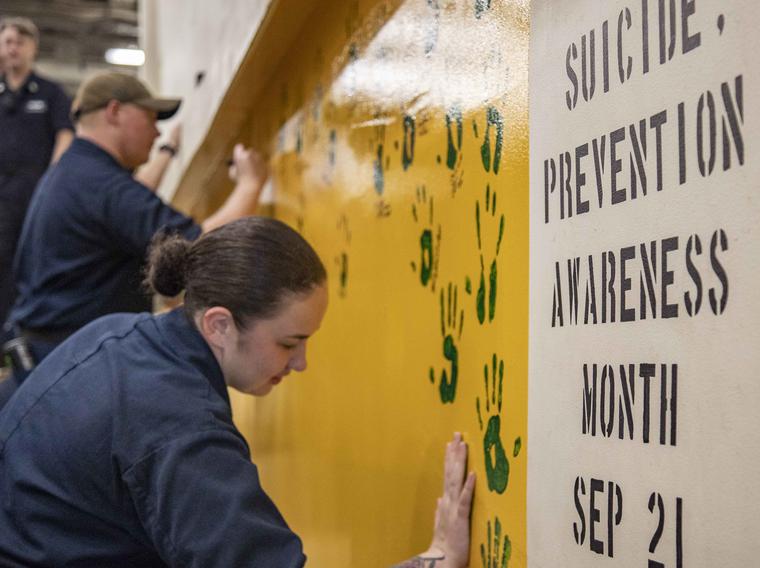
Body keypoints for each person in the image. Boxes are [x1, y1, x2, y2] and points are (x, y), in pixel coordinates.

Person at [0, 217, 476, 566]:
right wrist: (434, 560)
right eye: (289, 342)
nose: (301, 363)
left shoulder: (120, 335)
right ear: (219, 324)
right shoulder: (179, 426)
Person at [0, 71, 268, 405]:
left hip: (46, 364)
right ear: (114, 112)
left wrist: (168, 153)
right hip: (70, 375)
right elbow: (204, 246)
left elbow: (130, 207)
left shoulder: (75, 173)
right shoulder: (101, 184)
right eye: (150, 118)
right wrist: (251, 183)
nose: (157, 132)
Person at [0, 17, 74, 327]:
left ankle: (28, 332)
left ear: (33, 48)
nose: (13, 47)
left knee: (31, 263)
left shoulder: (50, 93)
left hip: (34, 194)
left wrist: (52, 182)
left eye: (20, 41)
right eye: (7, 41)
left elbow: (65, 135)